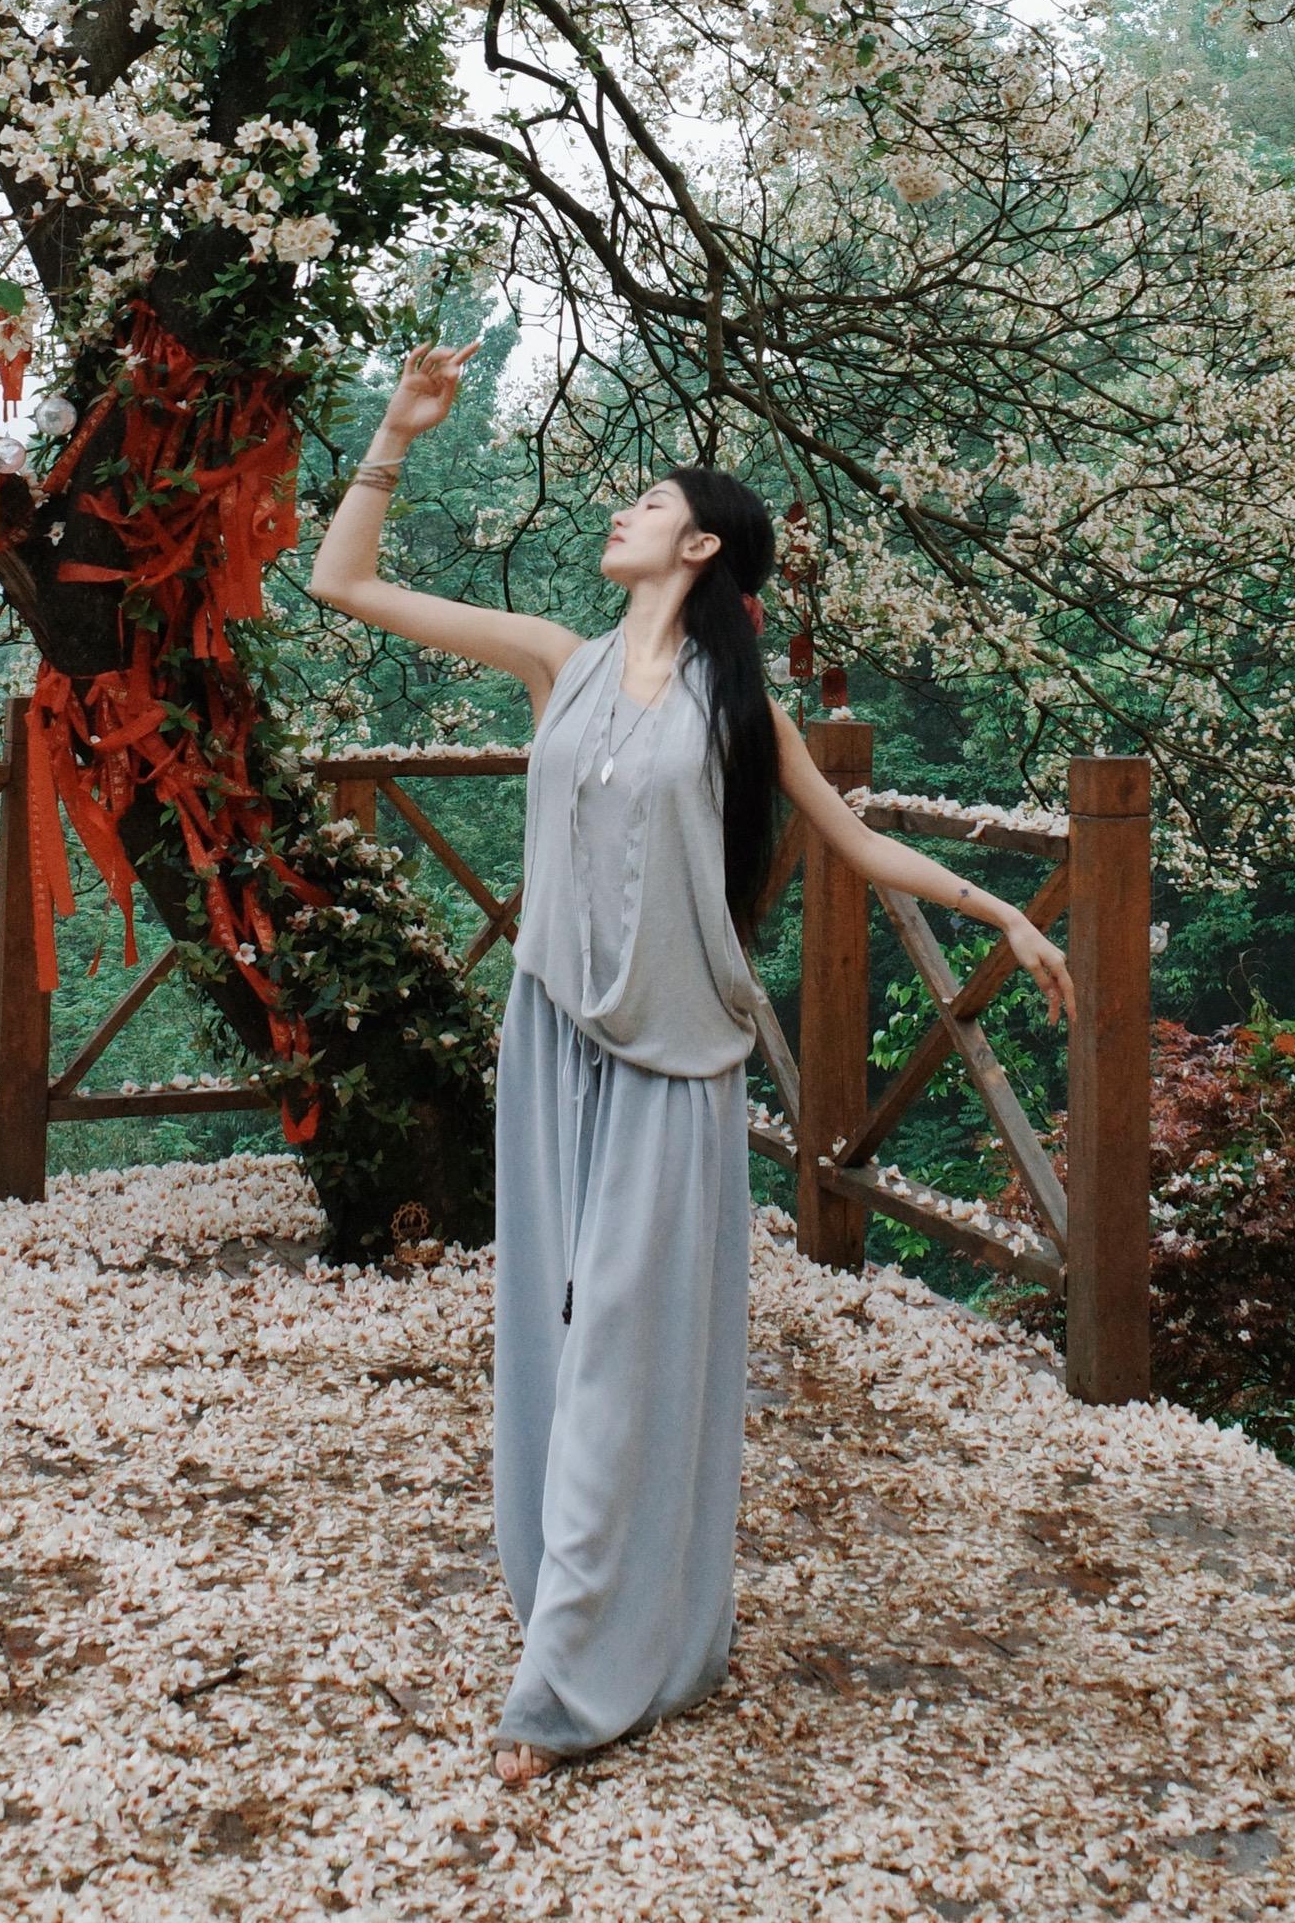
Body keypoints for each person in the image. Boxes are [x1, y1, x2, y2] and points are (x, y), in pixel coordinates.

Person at [307, 341, 1077, 1787]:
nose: (619, 513)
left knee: (625, 1356)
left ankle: (574, 1691)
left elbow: (856, 845)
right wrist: (394, 437)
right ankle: (575, 1609)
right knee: (547, 1332)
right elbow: (342, 588)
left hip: (673, 1065)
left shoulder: (740, 712)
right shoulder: (559, 661)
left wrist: (1001, 915)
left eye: (645, 504)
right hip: (549, 1040)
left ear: (700, 544)